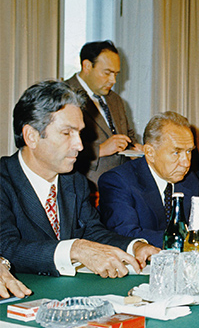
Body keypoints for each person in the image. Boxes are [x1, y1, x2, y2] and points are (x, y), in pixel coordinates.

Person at [0, 80, 158, 277]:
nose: (80, 145)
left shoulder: (75, 181)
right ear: (31, 136)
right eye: (67, 133)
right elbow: (6, 247)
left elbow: (93, 233)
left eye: (80, 133)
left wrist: (134, 246)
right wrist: (75, 248)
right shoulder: (3, 181)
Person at [98, 111, 199, 248]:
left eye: (189, 151)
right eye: (176, 152)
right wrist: (187, 239)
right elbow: (126, 234)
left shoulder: (190, 180)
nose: (186, 163)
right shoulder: (118, 181)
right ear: (150, 152)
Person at [65, 40, 142, 188]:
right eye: (107, 73)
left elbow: (128, 134)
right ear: (87, 66)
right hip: (84, 187)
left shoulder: (115, 100)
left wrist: (134, 148)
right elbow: (58, 145)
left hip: (120, 186)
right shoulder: (63, 95)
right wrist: (100, 150)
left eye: (116, 74)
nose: (113, 80)